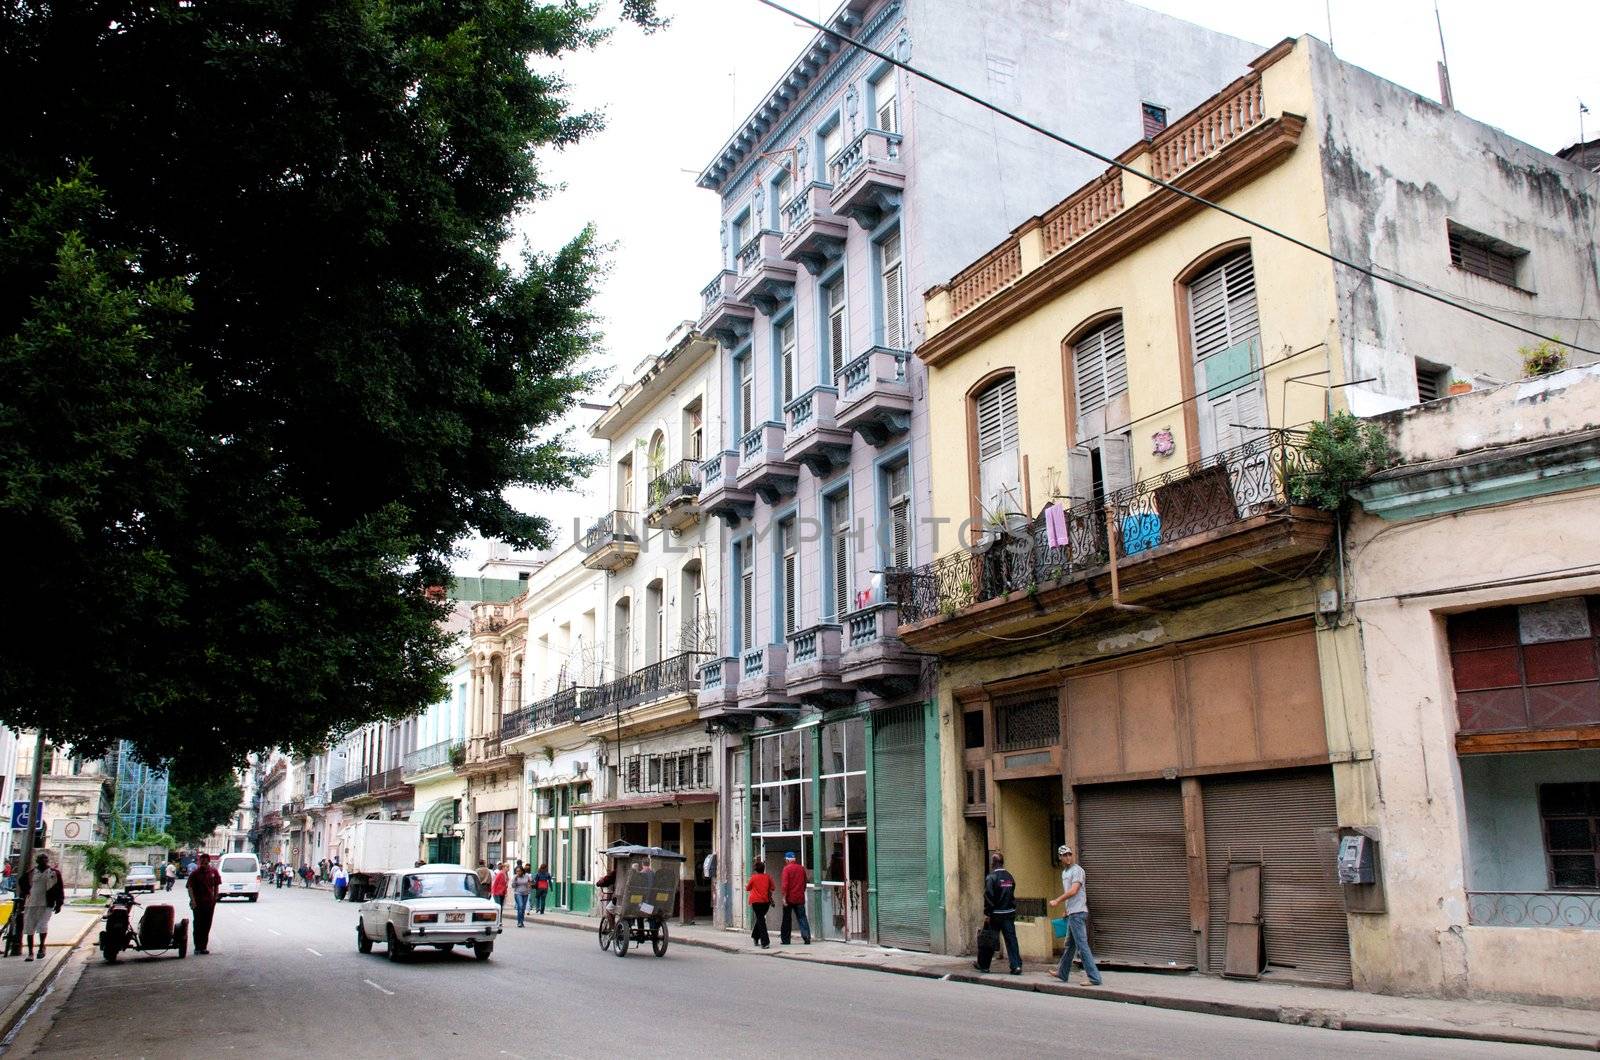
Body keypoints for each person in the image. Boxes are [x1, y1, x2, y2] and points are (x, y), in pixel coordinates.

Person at [1048, 844, 1102, 986]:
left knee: (1082, 946)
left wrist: (1057, 901)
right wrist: (1067, 909)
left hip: (1078, 913)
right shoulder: (1064, 873)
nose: (1068, 857)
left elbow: (1074, 891)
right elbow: (1070, 895)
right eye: (1064, 855)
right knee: (1070, 945)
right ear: (1060, 857)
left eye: (1069, 854)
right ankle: (1062, 972)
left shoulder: (1077, 870)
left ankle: (1094, 978)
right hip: (1073, 912)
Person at [975, 852, 1022, 975]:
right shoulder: (1010, 876)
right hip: (1008, 913)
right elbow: (1012, 893)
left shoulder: (991, 877)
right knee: (1011, 940)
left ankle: (984, 965)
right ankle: (1016, 965)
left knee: (989, 940)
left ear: (994, 863)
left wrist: (988, 914)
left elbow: (988, 896)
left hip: (996, 914)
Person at [19, 853, 64, 962]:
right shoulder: (31, 873)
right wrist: (26, 893)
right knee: (30, 927)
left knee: (42, 925)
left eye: (45, 859)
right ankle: (30, 952)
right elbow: (22, 882)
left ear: (47, 861)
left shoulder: (53, 873)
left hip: (46, 904)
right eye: (41, 859)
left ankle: (41, 948)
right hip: (31, 903)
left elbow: (59, 889)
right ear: (37, 861)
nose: (43, 861)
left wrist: (59, 903)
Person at [187, 851, 222, 955]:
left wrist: (215, 898)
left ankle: (203, 947)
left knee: (207, 925)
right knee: (198, 924)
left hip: (209, 903)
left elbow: (216, 886)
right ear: (199, 862)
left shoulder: (213, 872)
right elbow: (190, 888)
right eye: (202, 863)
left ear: (208, 862)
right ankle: (197, 947)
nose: (203, 865)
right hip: (198, 903)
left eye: (205, 863)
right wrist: (193, 901)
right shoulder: (195, 873)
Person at [778, 851, 810, 945]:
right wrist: (801, 891)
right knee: (802, 917)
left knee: (787, 919)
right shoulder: (801, 868)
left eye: (785, 860)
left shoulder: (786, 869)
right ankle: (806, 937)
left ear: (787, 860)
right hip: (799, 897)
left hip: (789, 898)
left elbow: (785, 885)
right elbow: (805, 882)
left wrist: (784, 897)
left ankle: (786, 940)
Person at [746, 858, 773, 949]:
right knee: (761, 919)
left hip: (756, 902)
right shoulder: (768, 877)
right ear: (763, 869)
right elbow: (773, 887)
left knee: (760, 920)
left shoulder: (753, 878)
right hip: (765, 902)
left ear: (756, 870)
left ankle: (764, 942)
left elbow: (747, 888)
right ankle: (757, 937)